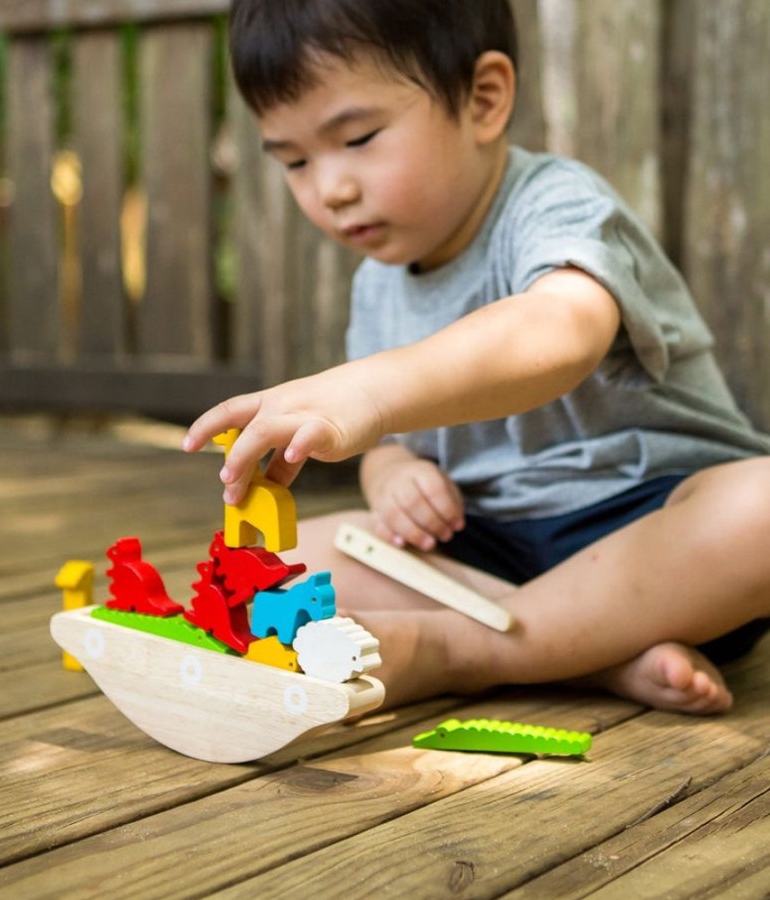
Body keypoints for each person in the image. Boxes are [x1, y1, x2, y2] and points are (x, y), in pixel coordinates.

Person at [184, 0, 770, 714]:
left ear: (483, 100)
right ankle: (589, 653)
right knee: (296, 554)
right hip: (485, 543)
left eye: (360, 138)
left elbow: (559, 332)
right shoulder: (378, 285)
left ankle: (460, 650)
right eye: (296, 162)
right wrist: (394, 471)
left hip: (655, 531)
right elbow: (394, 444)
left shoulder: (555, 204)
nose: (331, 189)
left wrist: (371, 389)